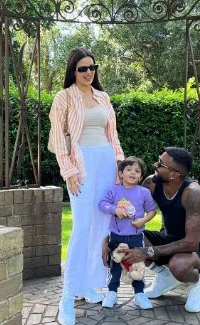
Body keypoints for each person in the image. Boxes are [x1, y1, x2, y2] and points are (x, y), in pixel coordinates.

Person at [49, 48, 124, 325]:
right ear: (73, 71)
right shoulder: (64, 97)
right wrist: (67, 170)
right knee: (81, 228)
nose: (89, 72)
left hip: (105, 161)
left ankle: (89, 284)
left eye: (92, 67)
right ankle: (67, 297)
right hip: (80, 164)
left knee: (102, 226)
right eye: (83, 68)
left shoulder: (103, 97)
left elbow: (112, 135)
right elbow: (59, 137)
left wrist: (119, 165)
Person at [118, 147, 200, 313]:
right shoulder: (151, 183)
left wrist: (147, 252)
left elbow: (191, 242)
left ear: (174, 175)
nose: (155, 164)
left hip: (195, 249)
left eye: (160, 164)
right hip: (167, 238)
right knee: (126, 239)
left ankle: (195, 282)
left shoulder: (193, 193)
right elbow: (132, 211)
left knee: (179, 265)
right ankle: (164, 276)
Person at [98, 156, 156, 310]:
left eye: (137, 171)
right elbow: (102, 204)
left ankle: (139, 294)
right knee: (115, 265)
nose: (133, 173)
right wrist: (114, 209)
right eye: (129, 169)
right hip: (116, 237)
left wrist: (143, 221)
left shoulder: (143, 192)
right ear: (121, 174)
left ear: (141, 176)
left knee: (136, 265)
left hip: (136, 237)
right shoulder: (114, 190)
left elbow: (152, 211)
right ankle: (111, 292)